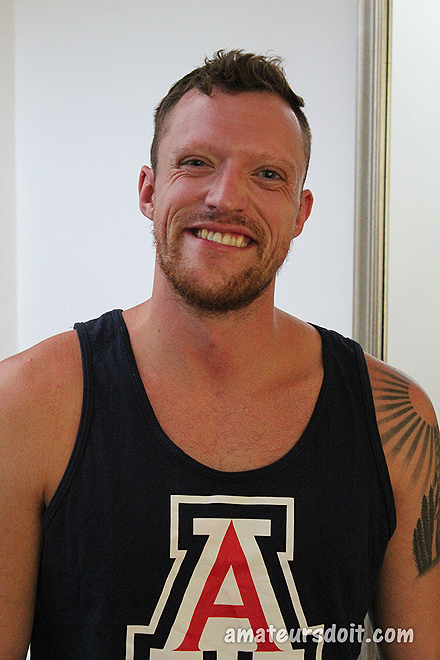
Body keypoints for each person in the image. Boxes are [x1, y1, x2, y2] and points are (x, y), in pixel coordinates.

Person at [0, 50, 438, 660]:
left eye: (268, 175)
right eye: (196, 163)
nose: (226, 197)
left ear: (301, 212)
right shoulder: (25, 404)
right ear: (149, 190)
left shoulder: (397, 421)